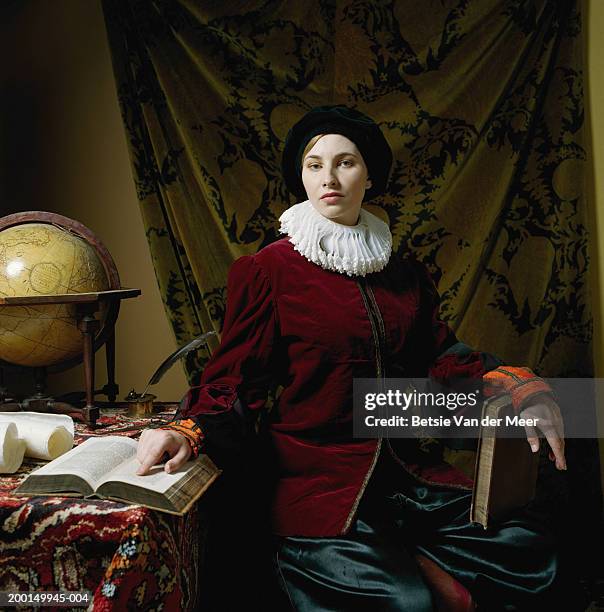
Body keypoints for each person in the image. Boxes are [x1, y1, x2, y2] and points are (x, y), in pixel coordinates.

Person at [136, 106, 575, 611]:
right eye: (314, 164)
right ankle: (407, 573)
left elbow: (441, 356)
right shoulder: (267, 270)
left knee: (532, 551)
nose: (329, 178)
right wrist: (188, 429)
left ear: (369, 176)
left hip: (404, 472)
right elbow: (235, 381)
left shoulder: (403, 271)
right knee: (401, 602)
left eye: (345, 163)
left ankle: (417, 559)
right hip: (315, 479)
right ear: (300, 176)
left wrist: (517, 384)